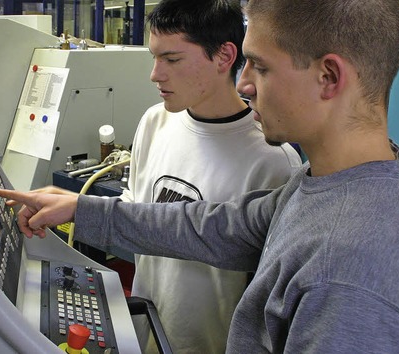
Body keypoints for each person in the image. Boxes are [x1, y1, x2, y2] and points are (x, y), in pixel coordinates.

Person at [0, 0, 399, 352]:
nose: (245, 83)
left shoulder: (348, 273)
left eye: (261, 67)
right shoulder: (327, 183)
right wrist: (82, 208)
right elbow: (216, 225)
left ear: (329, 77)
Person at [121, 0, 301, 352]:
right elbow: (134, 215)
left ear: (223, 56)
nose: (155, 74)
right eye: (154, 58)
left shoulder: (273, 161)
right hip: (147, 333)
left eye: (172, 60)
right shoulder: (155, 122)